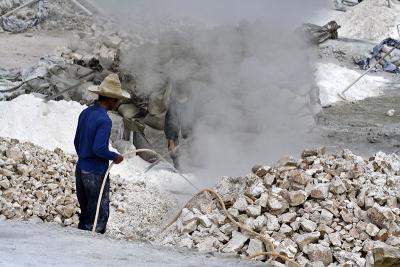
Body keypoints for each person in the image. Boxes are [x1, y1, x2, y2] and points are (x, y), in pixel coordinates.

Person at [74, 73, 130, 233]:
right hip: (95, 173)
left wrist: (84, 158)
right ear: (111, 99)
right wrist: (115, 156)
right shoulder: (104, 120)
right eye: (117, 99)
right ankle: (93, 251)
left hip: (81, 169)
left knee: (86, 214)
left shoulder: (85, 113)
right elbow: (98, 149)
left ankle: (80, 245)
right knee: (98, 216)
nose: (118, 102)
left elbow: (77, 142)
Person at [164, 85, 192, 170]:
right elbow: (169, 126)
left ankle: (195, 159)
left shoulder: (192, 102)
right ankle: (177, 163)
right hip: (174, 124)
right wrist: (171, 142)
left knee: (191, 137)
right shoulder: (173, 106)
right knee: (172, 142)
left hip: (188, 122)